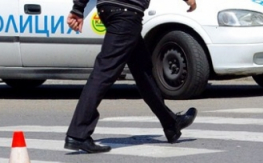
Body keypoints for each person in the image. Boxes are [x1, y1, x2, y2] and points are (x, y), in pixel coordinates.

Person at [64, 0, 198, 153]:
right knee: (104, 72)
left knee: (143, 70)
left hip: (109, 9)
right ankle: (78, 134)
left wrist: (78, 8)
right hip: (126, 12)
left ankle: (170, 124)